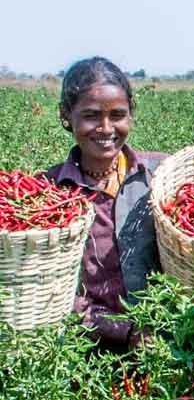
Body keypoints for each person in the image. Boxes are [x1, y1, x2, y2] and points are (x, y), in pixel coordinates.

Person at [45, 57, 165, 352]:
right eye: (91, 116)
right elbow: (49, 290)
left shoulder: (161, 175)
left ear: (131, 115)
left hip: (166, 346)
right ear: (65, 115)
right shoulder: (48, 193)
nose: (106, 128)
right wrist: (122, 331)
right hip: (86, 354)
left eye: (118, 115)